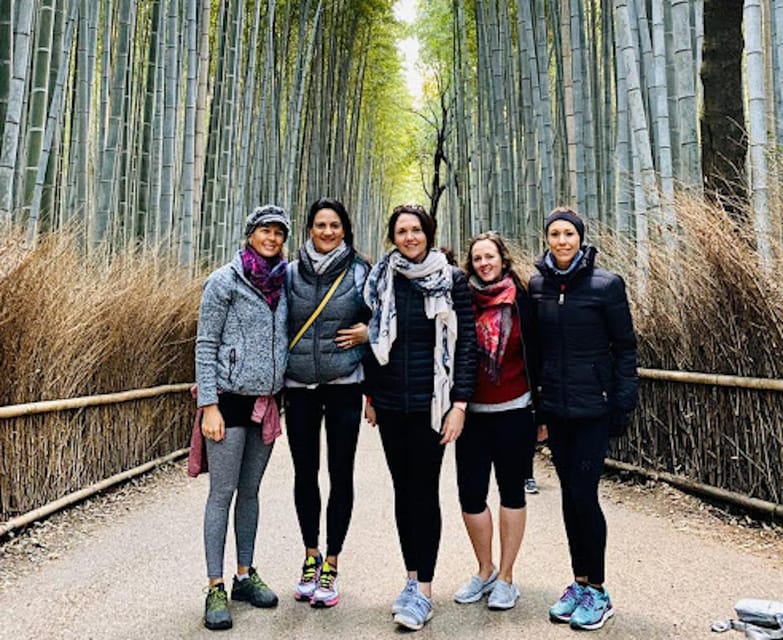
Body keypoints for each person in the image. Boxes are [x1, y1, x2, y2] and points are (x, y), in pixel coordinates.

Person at [363, 204, 477, 631]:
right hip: (392, 403)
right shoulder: (382, 277)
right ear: (393, 237)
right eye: (402, 231)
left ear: (429, 233)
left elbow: (465, 346)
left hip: (434, 404)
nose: (409, 237)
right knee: (402, 491)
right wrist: (370, 394)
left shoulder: (452, 280)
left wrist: (459, 405)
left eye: (416, 230)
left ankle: (425, 590)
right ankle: (410, 580)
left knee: (424, 492)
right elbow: (372, 337)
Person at [528, 207, 638, 631]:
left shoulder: (605, 285)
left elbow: (625, 347)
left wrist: (622, 403)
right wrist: (538, 407)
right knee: (568, 499)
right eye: (554, 234)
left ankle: (599, 590)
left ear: (580, 237)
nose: (561, 241)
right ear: (547, 239)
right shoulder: (538, 285)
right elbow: (536, 354)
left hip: (594, 407)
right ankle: (578, 582)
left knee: (584, 494)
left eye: (568, 233)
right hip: (557, 408)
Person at [194, 205, 290, 631]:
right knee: (222, 492)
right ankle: (214, 585)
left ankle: (244, 576)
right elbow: (205, 344)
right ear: (250, 234)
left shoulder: (284, 283)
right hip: (228, 402)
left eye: (278, 233)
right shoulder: (224, 281)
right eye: (265, 231)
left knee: (250, 491)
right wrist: (208, 405)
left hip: (266, 401)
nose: (271, 238)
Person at [284, 197, 370, 608]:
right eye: (320, 225)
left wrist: (367, 334)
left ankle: (332, 561)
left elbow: (383, 316)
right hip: (298, 385)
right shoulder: (288, 273)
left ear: (345, 229)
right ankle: (310, 555)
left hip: (344, 384)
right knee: (305, 473)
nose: (328, 232)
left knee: (341, 473)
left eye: (335, 225)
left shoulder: (359, 272)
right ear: (309, 229)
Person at [452, 231, 539, 611]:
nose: (484, 264)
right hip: (471, 414)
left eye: (490, 257)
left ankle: (506, 576)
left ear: (503, 259)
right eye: (477, 259)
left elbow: (541, 351)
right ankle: (484, 569)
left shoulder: (523, 300)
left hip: (515, 411)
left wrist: (544, 412)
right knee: (471, 496)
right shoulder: (461, 300)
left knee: (511, 493)